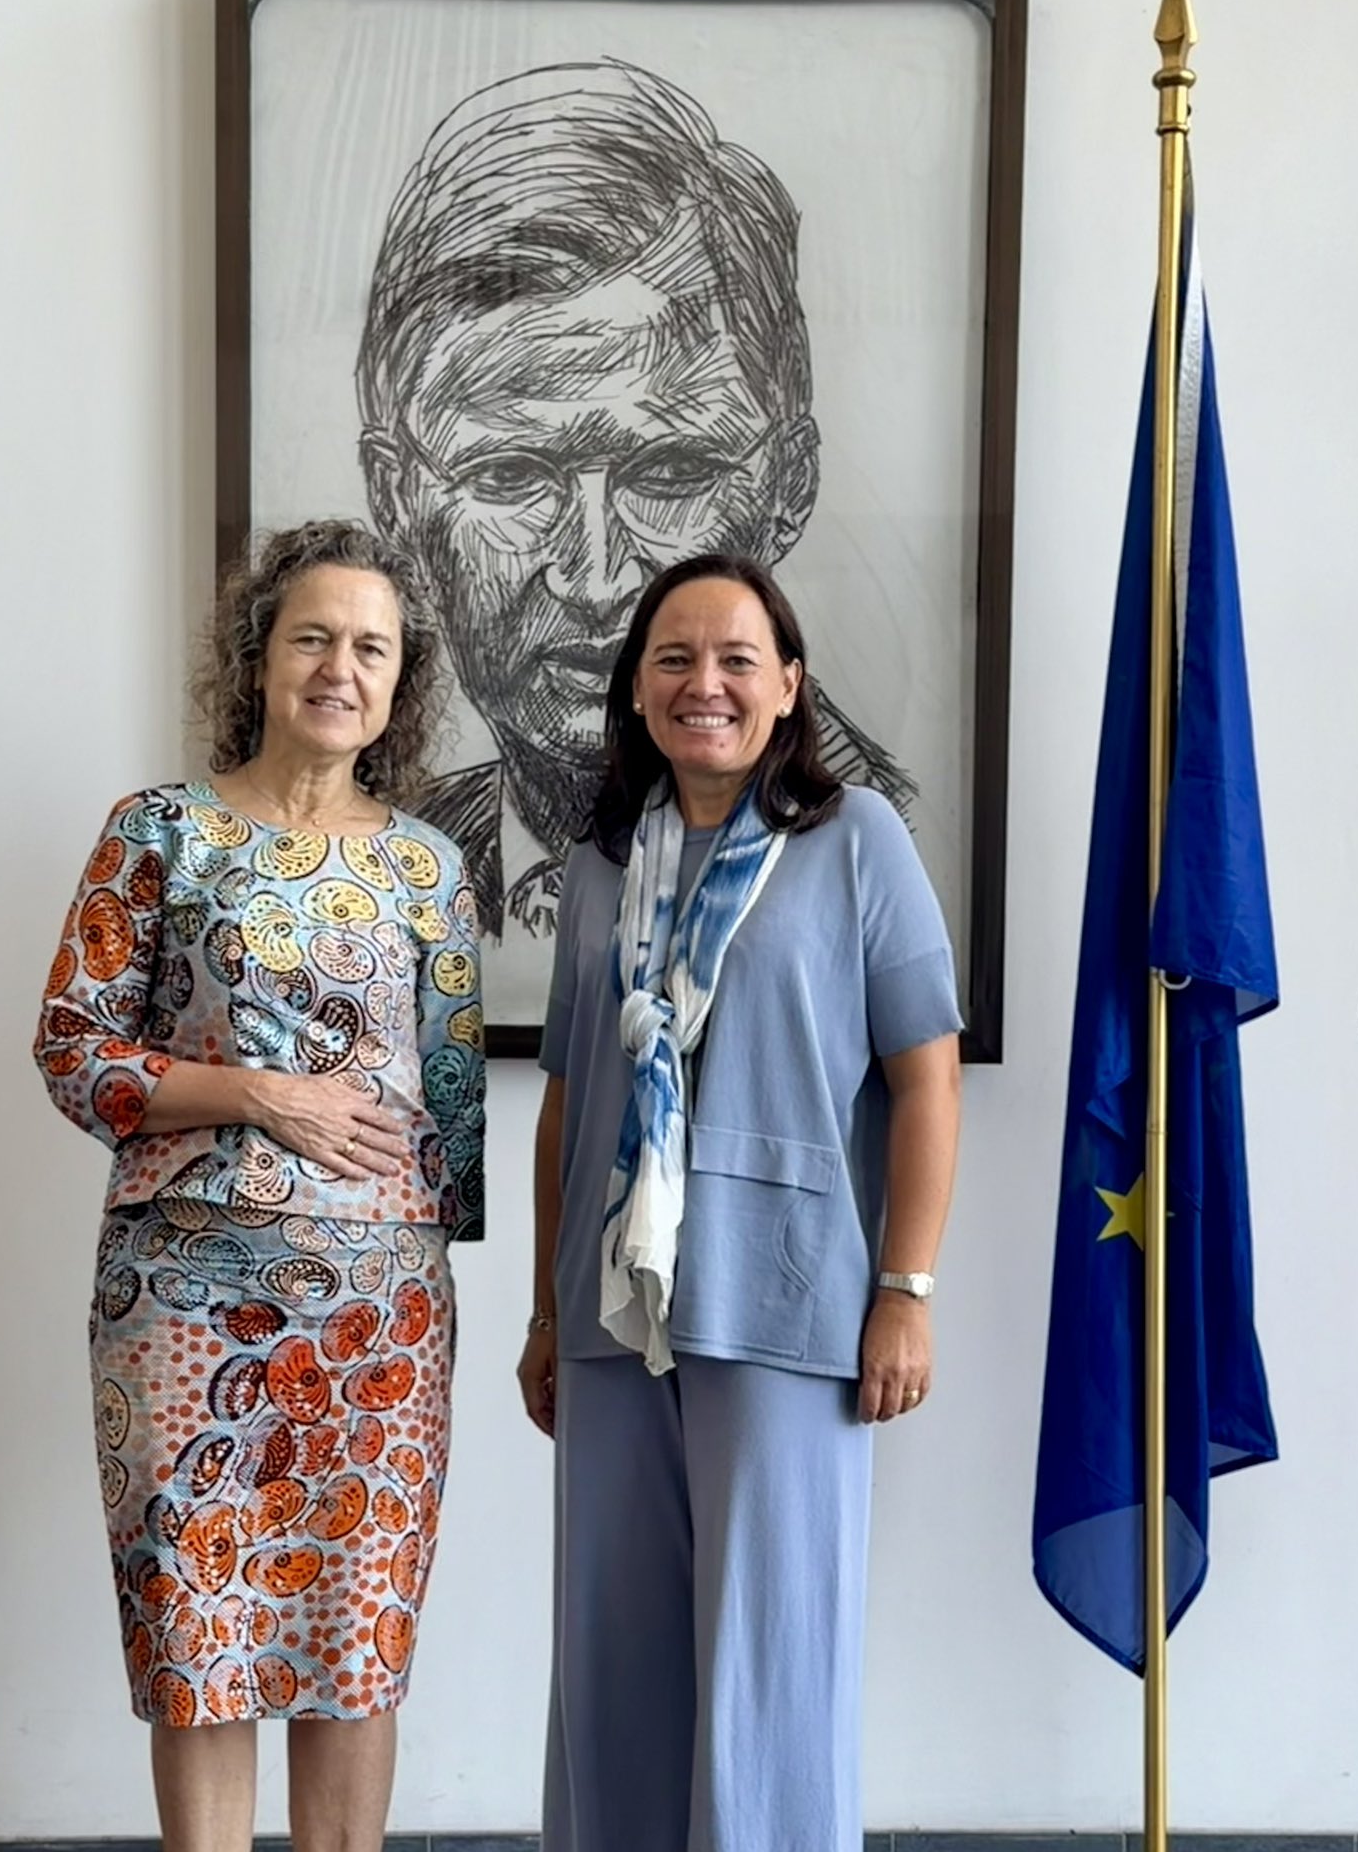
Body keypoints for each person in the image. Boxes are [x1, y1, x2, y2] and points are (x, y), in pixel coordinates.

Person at [33, 521, 485, 1852]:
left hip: (382, 1325)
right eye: (313, 637)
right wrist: (257, 1092)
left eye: (371, 648)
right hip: (181, 1306)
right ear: (259, 657)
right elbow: (72, 1048)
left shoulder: (431, 866)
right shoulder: (158, 832)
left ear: (400, 683)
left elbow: (452, 1111)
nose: (340, 667)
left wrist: (446, 1266)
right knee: (200, 1635)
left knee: (357, 1640)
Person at [517, 551, 961, 1852]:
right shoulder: (601, 865)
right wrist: (546, 1314)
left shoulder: (857, 841)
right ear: (635, 690)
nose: (702, 682)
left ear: (788, 686)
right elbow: (567, 1099)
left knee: (771, 1670)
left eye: (734, 659)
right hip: (613, 1311)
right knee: (612, 1664)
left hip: (790, 1300)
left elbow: (926, 1080)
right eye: (673, 658)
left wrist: (906, 1290)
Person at [355, 59, 915, 961]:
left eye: (671, 472)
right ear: (397, 498)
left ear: (789, 484)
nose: (595, 577)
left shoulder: (877, 842)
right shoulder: (389, 866)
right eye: (510, 477)